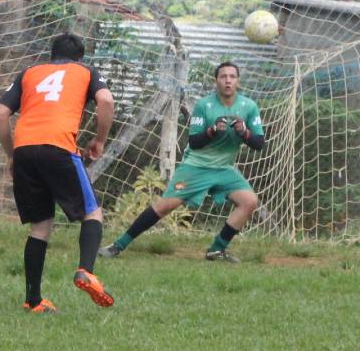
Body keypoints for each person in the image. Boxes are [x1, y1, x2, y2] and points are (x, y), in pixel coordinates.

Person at [0, 32, 115, 313]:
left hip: (25, 149)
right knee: (92, 212)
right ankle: (86, 271)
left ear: (51, 55)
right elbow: (106, 101)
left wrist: (11, 154)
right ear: (79, 58)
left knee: (40, 225)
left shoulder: (29, 72)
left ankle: (33, 301)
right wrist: (99, 140)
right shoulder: (85, 71)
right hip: (58, 145)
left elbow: (0, 113)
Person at [101, 61, 264, 264]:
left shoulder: (249, 106)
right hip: (196, 166)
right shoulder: (204, 105)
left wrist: (245, 133)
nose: (228, 80)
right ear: (216, 81)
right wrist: (212, 130)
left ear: (238, 81)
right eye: (223, 76)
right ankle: (118, 245)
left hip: (224, 169)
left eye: (232, 76)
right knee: (165, 206)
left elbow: (259, 144)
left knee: (249, 202)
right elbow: (194, 142)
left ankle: (217, 250)